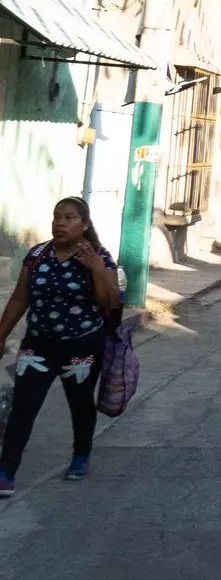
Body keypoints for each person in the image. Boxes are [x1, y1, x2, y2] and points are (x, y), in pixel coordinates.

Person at [0, 198, 120, 496]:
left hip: (81, 348)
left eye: (69, 218)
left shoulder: (99, 258)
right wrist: (1, 334)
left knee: (80, 404)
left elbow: (110, 302)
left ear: (84, 225)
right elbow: (19, 299)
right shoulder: (37, 255)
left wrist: (95, 269)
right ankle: (6, 471)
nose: (60, 223)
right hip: (38, 346)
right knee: (23, 407)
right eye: (56, 217)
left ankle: (81, 455)